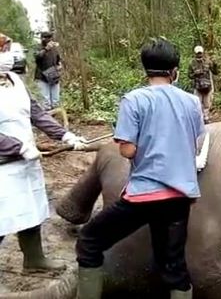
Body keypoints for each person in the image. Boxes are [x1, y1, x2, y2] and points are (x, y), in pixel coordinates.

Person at [76, 37, 206, 299]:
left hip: (143, 196)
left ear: (145, 69)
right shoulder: (192, 102)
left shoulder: (133, 100)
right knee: (174, 268)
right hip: (179, 198)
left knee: (89, 240)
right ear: (174, 71)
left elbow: (128, 150)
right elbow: (198, 141)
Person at [0, 51, 87, 293]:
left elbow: (36, 113)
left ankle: (34, 259)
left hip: (26, 159)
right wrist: (16, 147)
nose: (8, 56)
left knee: (30, 208)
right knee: (3, 214)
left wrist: (64, 134)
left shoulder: (15, 81)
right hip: (4, 162)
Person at [188, 45, 218, 124]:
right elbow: (189, 75)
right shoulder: (192, 63)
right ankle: (199, 119)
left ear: (203, 53)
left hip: (207, 86)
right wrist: (195, 74)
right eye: (198, 53)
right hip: (197, 86)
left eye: (200, 53)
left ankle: (206, 117)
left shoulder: (208, 62)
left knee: (207, 103)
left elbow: (215, 72)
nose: (199, 55)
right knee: (197, 103)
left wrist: (215, 64)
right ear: (195, 53)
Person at [34, 31, 62, 110]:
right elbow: (37, 57)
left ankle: (56, 117)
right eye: (47, 38)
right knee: (45, 101)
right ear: (42, 39)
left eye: (50, 38)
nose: (49, 40)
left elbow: (58, 60)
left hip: (53, 74)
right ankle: (47, 116)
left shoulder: (54, 49)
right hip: (42, 75)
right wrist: (46, 49)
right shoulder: (38, 47)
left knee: (55, 99)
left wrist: (59, 65)